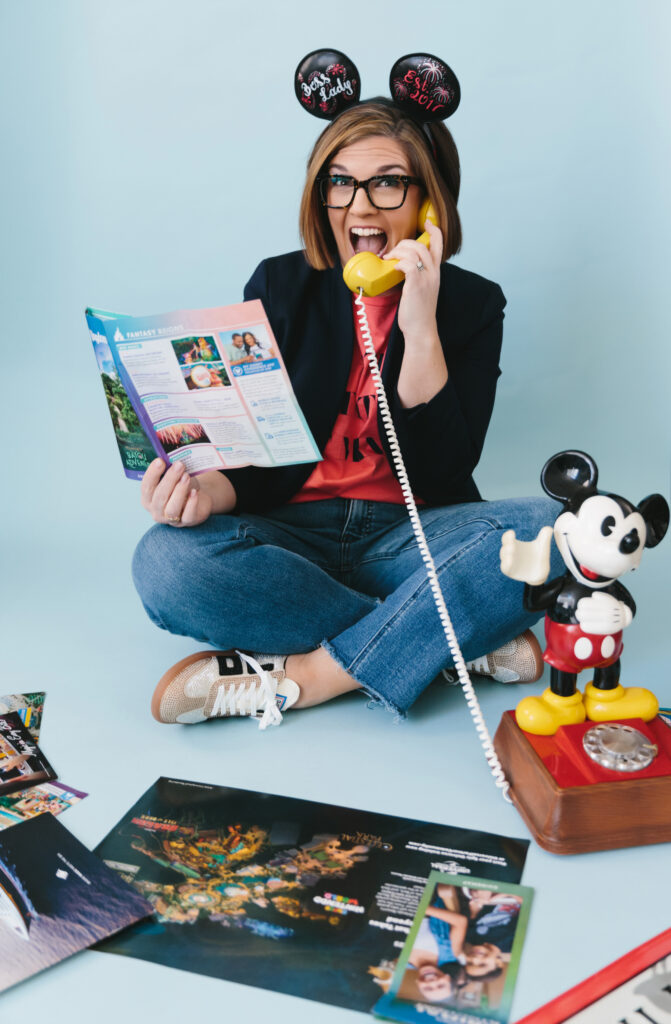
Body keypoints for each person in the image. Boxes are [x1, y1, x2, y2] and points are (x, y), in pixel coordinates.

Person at [133, 91, 561, 729]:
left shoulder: (473, 304)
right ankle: (445, 638)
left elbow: (445, 469)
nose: (360, 206)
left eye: (388, 183)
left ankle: (306, 678)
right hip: (287, 537)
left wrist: (420, 324)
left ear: (428, 201)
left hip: (410, 534)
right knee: (165, 562)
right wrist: (206, 494)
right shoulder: (281, 285)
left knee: (554, 532)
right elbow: (258, 453)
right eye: (341, 183)